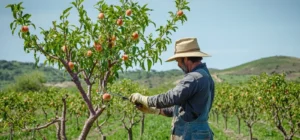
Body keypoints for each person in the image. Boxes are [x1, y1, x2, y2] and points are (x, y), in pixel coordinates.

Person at [129, 37, 215, 140]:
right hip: (197, 132)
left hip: (190, 134)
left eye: (178, 60)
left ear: (186, 58)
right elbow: (183, 110)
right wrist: (156, 111)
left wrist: (146, 99)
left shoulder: (194, 77)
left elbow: (171, 97)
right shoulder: (205, 76)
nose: (178, 64)